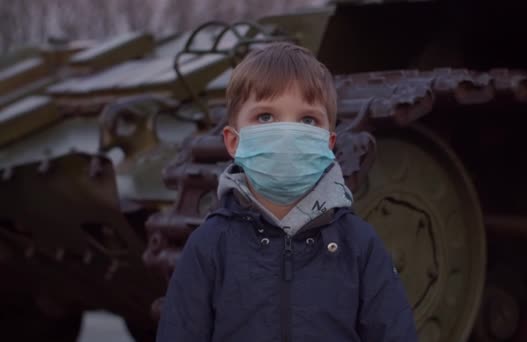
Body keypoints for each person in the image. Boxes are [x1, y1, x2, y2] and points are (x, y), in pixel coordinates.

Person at [156, 42, 418, 342]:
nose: (287, 136)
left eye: (308, 120)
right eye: (265, 117)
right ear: (233, 141)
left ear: (328, 144)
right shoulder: (210, 247)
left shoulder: (359, 247)